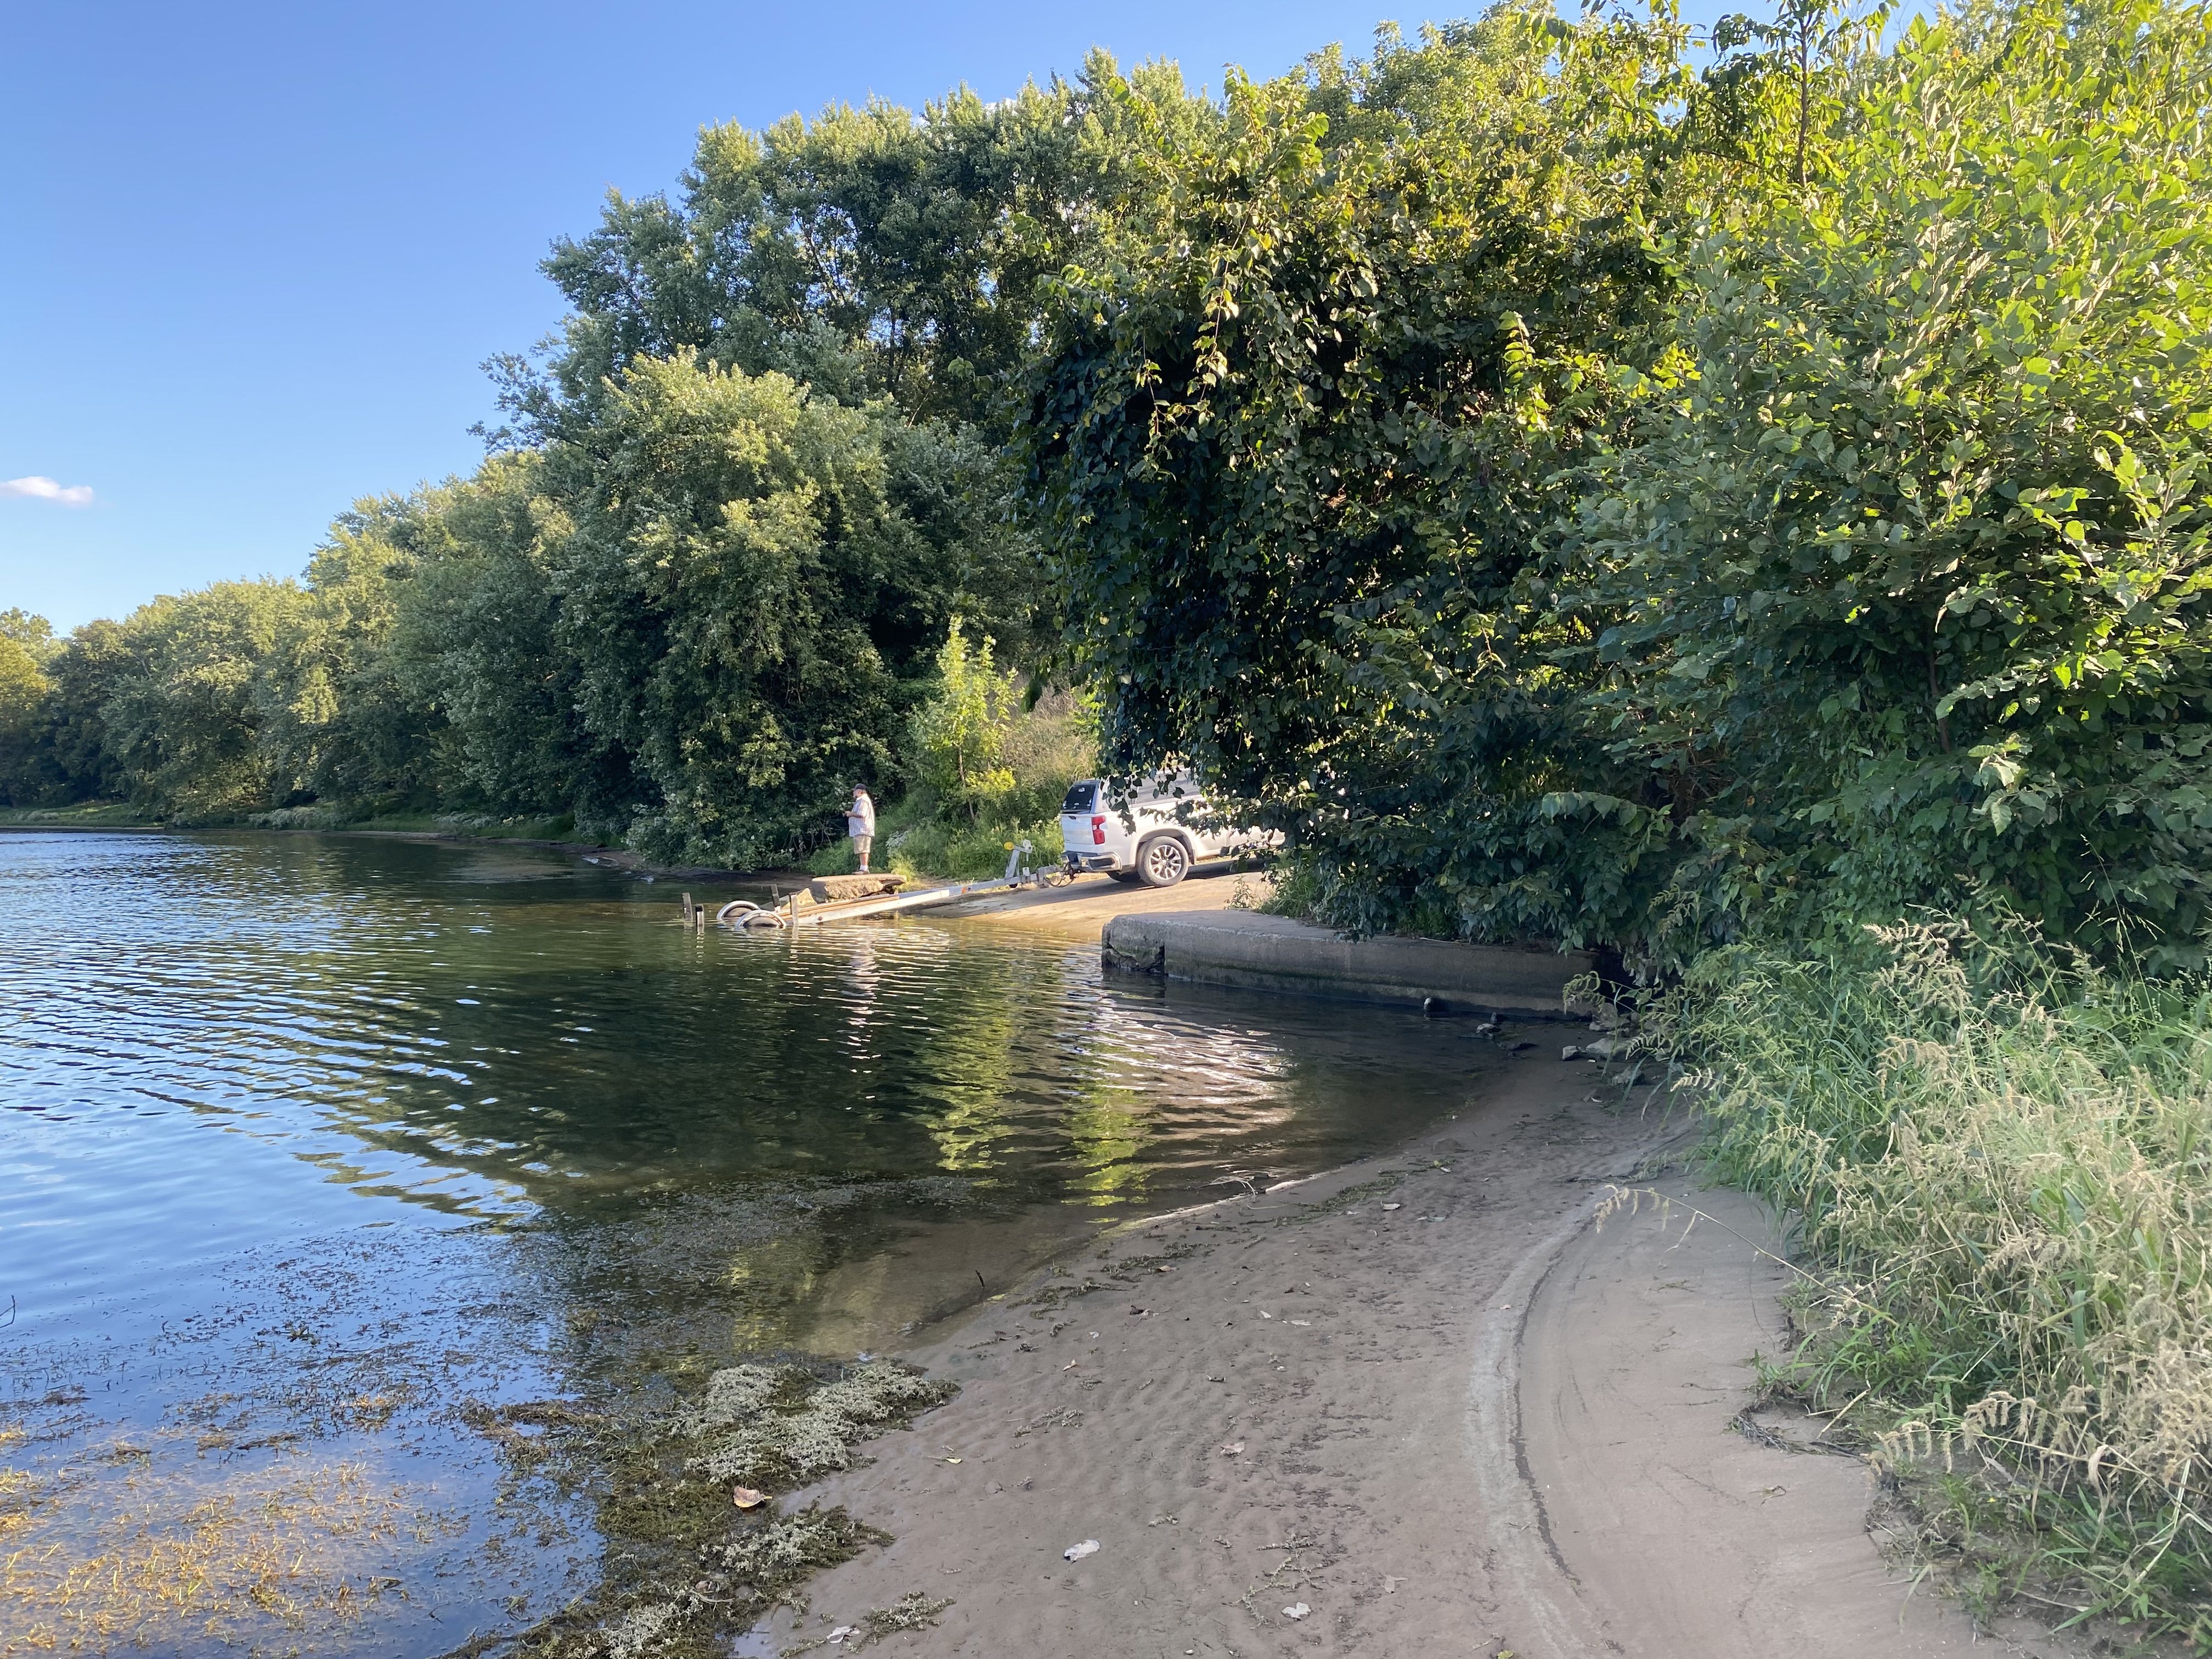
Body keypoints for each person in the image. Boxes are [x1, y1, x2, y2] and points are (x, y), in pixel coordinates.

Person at [848, 786, 876, 873]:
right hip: (860, 830)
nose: (853, 793)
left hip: (863, 829)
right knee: (861, 849)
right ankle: (863, 868)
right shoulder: (861, 800)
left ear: (860, 791)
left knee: (864, 849)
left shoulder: (863, 800)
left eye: (855, 791)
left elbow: (861, 814)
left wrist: (850, 814)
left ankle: (864, 869)